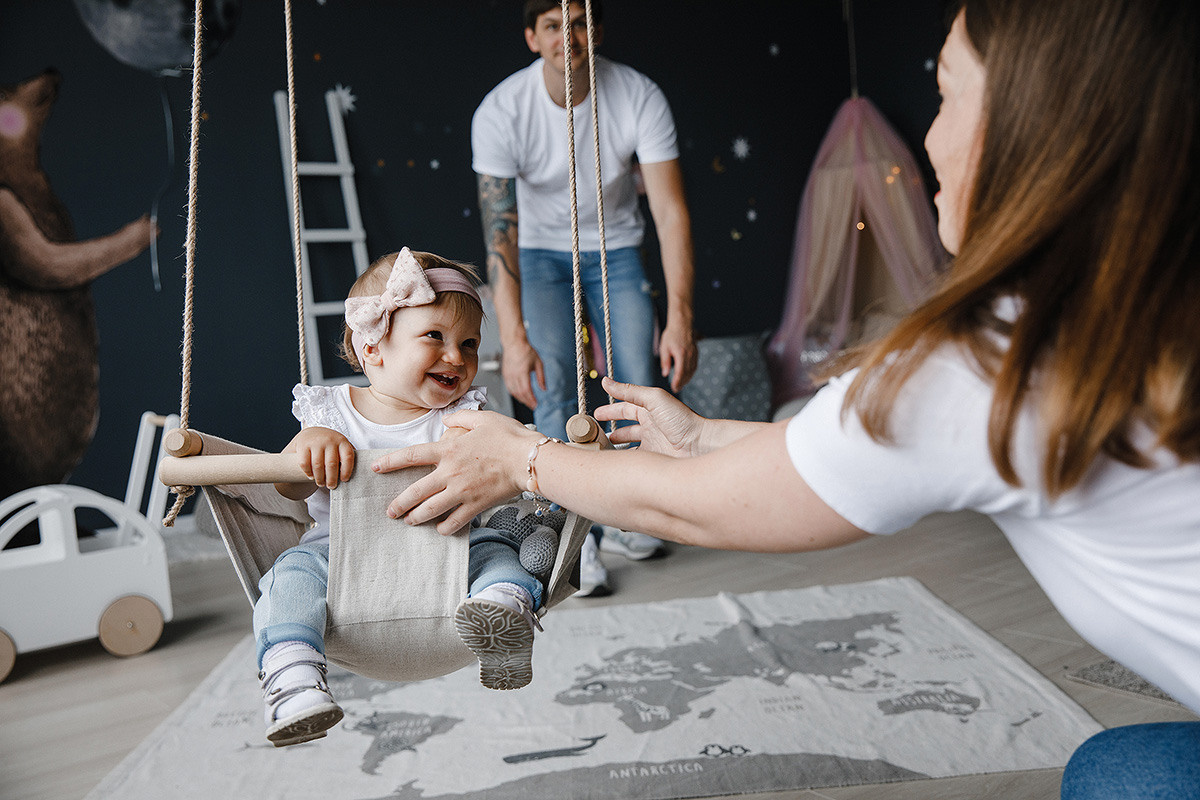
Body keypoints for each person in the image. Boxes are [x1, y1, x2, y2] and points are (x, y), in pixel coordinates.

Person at [377, 0, 1200, 796]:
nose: (927, 137)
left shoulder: (990, 363)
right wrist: (697, 439)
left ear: (1038, 125)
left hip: (616, 251)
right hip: (551, 256)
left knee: (1110, 777)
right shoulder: (1121, 309)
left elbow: (717, 510)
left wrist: (521, 456)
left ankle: (594, 528)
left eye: (946, 93)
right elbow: (797, 457)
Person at [255, 248, 548, 748]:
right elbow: (289, 487)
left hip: (451, 554)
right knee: (288, 576)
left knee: (499, 553)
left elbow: (517, 457)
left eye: (470, 343)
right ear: (372, 348)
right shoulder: (330, 412)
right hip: (342, 559)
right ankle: (294, 681)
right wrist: (306, 449)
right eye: (435, 336)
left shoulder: (465, 414)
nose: (457, 356)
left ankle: (502, 614)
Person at [471, 0, 699, 593]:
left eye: (578, 22)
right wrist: (514, 339)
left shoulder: (638, 95)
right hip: (540, 256)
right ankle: (576, 540)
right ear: (531, 36)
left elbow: (671, 212)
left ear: (594, 29)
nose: (566, 37)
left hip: (617, 248)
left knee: (638, 384)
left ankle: (631, 513)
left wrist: (681, 317)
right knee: (553, 391)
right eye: (552, 25)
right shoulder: (501, 111)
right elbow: (501, 236)